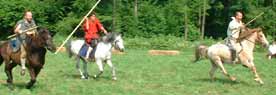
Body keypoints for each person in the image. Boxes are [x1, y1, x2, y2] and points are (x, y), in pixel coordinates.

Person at [14, 10, 37, 75]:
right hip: (22, 39)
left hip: (31, 39)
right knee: (24, 51)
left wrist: (31, 32)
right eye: (29, 16)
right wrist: (19, 31)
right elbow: (15, 30)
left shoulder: (32, 22)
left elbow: (35, 30)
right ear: (25, 16)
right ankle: (23, 67)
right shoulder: (20, 22)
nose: (31, 17)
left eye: (31, 16)